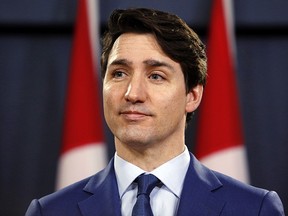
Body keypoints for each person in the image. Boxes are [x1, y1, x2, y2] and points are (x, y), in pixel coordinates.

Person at [26, 8, 285, 216]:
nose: (133, 93)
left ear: (192, 95)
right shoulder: (49, 211)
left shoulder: (255, 208)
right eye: (119, 73)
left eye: (156, 76)